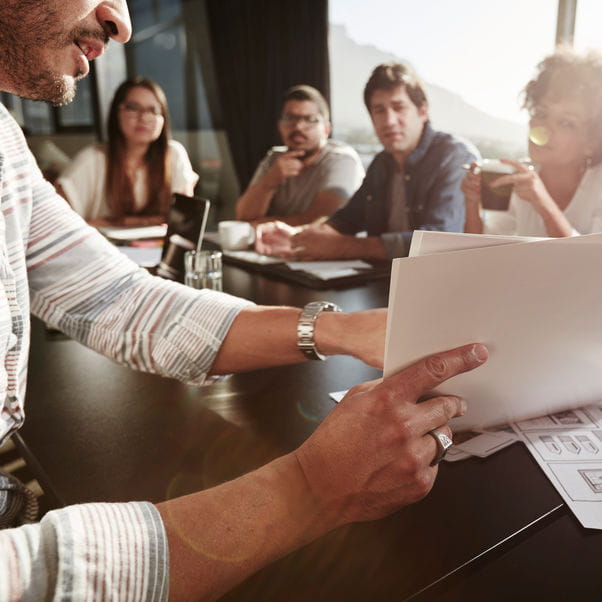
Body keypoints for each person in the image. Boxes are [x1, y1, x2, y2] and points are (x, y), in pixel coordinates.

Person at [0, 2, 488, 600]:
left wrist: (338, 329)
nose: (122, 23)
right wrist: (310, 490)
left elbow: (118, 297)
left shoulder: (5, 144)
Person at [255, 62, 480, 260]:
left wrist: (343, 248)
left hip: (436, 287)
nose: (389, 120)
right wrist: (297, 237)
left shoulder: (455, 157)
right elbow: (346, 221)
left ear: (422, 111)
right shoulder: (382, 162)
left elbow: (438, 241)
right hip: (383, 284)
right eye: (379, 110)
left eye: (398, 107)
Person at [463, 48, 602, 237]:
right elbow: (483, 255)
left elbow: (592, 262)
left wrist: (543, 204)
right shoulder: (518, 178)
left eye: (566, 123)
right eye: (541, 114)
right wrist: (472, 203)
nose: (544, 128)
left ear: (592, 142)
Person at [56, 76, 199, 226]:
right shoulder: (91, 159)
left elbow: (184, 221)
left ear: (163, 118)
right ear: (116, 113)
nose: (143, 117)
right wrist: (156, 220)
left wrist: (117, 222)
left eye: (153, 110)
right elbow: (59, 223)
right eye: (133, 108)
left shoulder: (174, 154)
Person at [235, 84, 364, 226]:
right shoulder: (274, 158)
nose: (298, 127)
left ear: (326, 129)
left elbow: (323, 221)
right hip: (275, 246)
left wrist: (258, 226)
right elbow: (243, 216)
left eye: (309, 119)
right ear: (280, 126)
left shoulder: (342, 159)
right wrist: (270, 181)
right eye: (290, 119)